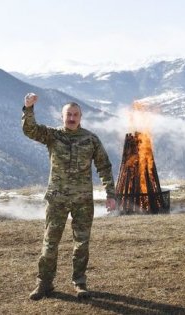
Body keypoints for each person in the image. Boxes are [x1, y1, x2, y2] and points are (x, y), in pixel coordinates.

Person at [22, 93, 116, 300]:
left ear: (80, 117)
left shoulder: (90, 139)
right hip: (57, 199)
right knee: (50, 243)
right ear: (62, 116)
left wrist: (110, 193)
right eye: (68, 115)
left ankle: (80, 283)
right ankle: (44, 284)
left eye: (75, 115)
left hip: (83, 200)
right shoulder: (53, 135)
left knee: (81, 243)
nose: (72, 118)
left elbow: (104, 166)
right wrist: (28, 109)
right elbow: (30, 130)